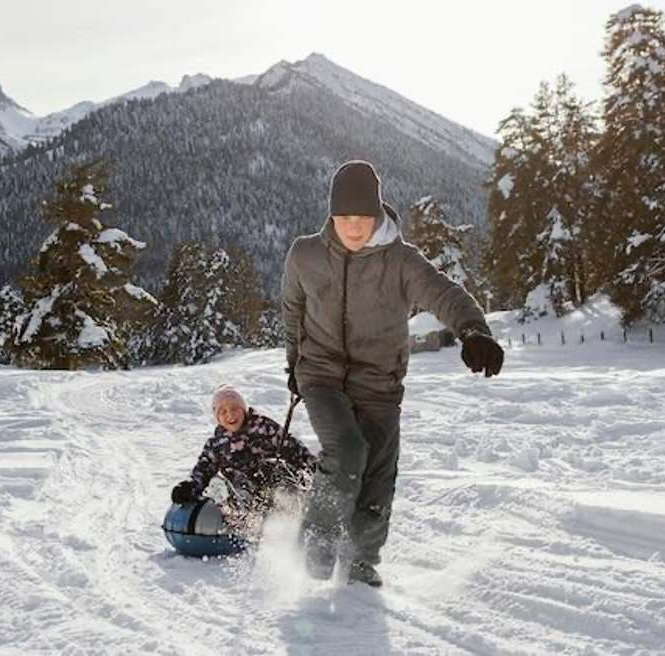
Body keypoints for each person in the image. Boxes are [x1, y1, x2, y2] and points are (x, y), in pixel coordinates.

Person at [282, 160, 504, 587]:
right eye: (344, 217)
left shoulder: (400, 261)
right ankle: (317, 544)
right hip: (322, 375)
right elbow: (293, 311)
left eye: (362, 217)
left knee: (378, 475)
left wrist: (473, 329)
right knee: (346, 452)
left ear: (377, 213)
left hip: (380, 381)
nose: (353, 227)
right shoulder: (305, 255)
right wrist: (294, 364)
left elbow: (443, 293)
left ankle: (361, 561)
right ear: (332, 215)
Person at [170, 384, 316, 528]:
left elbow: (294, 448)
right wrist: (189, 487)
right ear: (217, 417)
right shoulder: (217, 444)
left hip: (274, 483)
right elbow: (203, 469)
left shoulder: (264, 427)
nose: (230, 415)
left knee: (273, 470)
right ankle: (246, 527)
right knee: (224, 485)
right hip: (245, 494)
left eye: (235, 409)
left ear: (243, 409)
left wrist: (315, 469)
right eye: (223, 412)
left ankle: (292, 518)